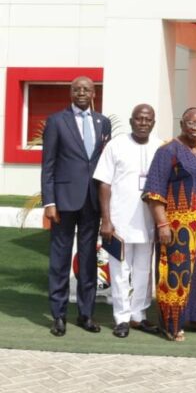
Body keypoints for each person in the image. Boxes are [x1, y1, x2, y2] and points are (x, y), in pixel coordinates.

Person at [143, 107, 196, 342]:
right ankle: (171, 324)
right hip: (179, 226)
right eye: (191, 123)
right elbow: (154, 191)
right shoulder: (168, 150)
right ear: (181, 123)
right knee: (176, 272)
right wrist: (162, 224)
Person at [42, 76, 112, 337]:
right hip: (63, 201)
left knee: (88, 259)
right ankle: (59, 315)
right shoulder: (57, 121)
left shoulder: (103, 123)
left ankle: (86, 314)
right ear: (70, 93)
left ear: (94, 93)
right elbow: (48, 165)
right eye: (76, 89)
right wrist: (49, 202)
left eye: (86, 89)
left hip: (92, 201)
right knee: (59, 260)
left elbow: (105, 164)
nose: (81, 92)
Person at [94, 104, 162, 338]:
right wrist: (106, 219)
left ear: (154, 123)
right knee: (120, 270)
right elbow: (104, 183)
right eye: (139, 119)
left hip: (148, 222)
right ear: (131, 121)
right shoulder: (116, 145)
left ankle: (138, 316)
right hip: (120, 221)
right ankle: (121, 318)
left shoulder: (160, 147)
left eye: (148, 119)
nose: (143, 123)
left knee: (143, 271)